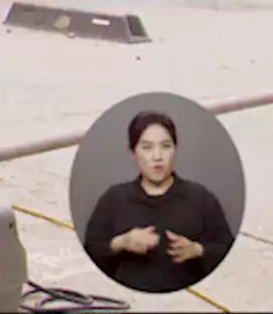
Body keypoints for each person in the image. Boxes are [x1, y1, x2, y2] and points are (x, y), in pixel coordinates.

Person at [81, 110, 236, 293]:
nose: (157, 156)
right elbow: (89, 253)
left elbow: (229, 253)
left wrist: (197, 250)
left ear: (175, 149)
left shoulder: (201, 198)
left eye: (166, 146)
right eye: (147, 147)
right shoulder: (114, 199)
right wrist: (122, 242)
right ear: (132, 152)